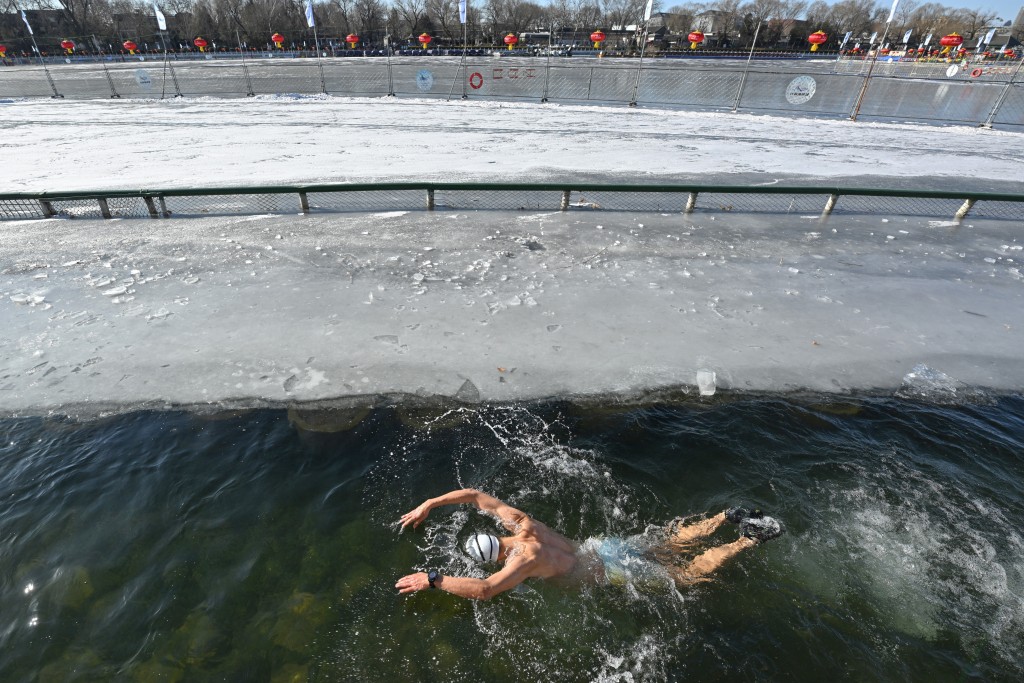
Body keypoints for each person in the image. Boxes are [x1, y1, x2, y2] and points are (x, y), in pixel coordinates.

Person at [395, 488, 783, 600]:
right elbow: (476, 495)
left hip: (610, 571)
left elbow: (484, 591)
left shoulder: (521, 564)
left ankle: (750, 540)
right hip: (604, 547)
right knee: (670, 541)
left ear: (495, 558)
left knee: (685, 576)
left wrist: (433, 578)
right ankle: (724, 517)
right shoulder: (521, 523)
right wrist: (428, 503)